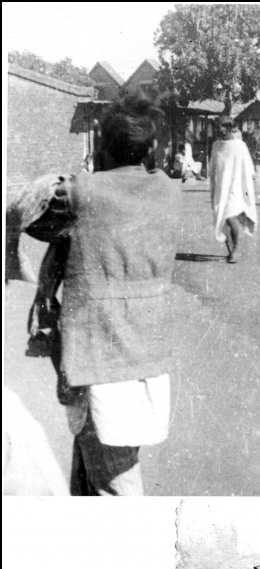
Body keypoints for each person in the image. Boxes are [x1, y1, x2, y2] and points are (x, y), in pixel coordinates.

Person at [20, 95, 182, 496]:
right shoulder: (166, 190)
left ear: (103, 145)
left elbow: (28, 216)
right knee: (101, 455)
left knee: (115, 478)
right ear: (152, 149)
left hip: (97, 356)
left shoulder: (81, 194)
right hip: (146, 352)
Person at [209, 118, 258, 263]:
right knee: (222, 218)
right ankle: (230, 251)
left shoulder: (240, 146)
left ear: (229, 128)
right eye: (216, 127)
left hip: (235, 188)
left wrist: (247, 187)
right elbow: (213, 168)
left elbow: (248, 167)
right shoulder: (216, 145)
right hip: (220, 188)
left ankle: (235, 251)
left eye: (220, 128)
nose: (217, 130)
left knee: (230, 218)